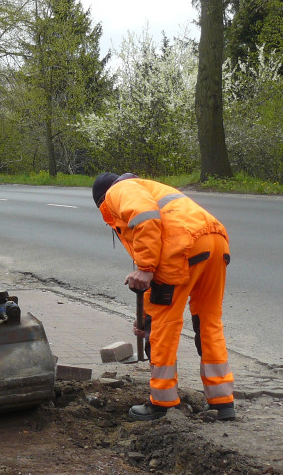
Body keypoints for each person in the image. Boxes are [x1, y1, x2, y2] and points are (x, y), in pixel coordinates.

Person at [92, 172, 236, 421]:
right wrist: (145, 317)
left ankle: (162, 403)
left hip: (182, 248)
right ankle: (222, 403)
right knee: (208, 321)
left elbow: (146, 218)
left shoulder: (119, 190)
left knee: (163, 327)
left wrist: (145, 268)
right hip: (215, 242)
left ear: (102, 199)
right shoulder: (150, 186)